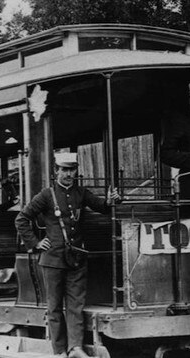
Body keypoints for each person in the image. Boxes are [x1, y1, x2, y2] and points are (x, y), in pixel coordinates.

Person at [15, 152, 121, 358]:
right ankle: (59, 352)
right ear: (56, 171)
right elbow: (21, 219)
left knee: (76, 306)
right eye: (64, 170)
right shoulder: (46, 195)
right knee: (54, 308)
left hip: (77, 259)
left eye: (71, 170)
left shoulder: (81, 193)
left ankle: (75, 348)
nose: (68, 174)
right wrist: (36, 243)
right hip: (52, 260)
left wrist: (111, 201)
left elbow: (103, 207)